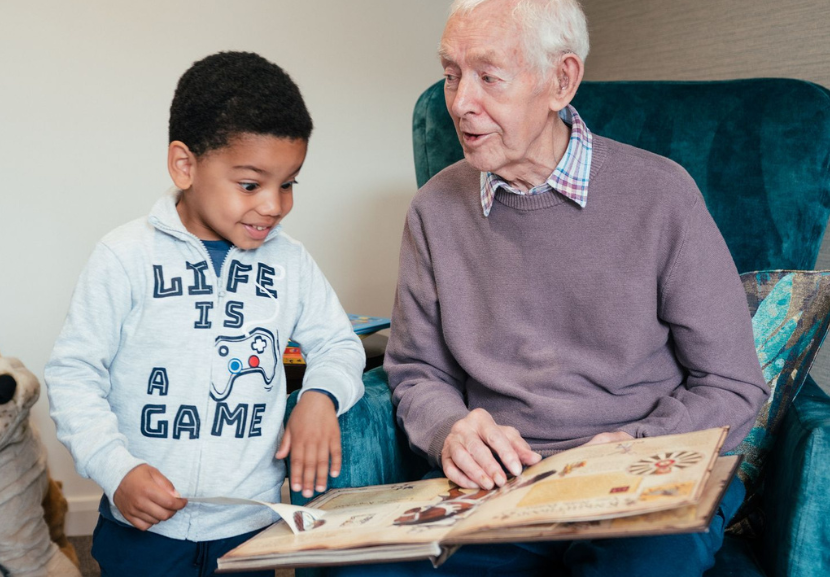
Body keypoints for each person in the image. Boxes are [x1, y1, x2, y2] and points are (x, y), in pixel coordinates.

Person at [336, 0, 768, 575]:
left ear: (561, 81)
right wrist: (449, 430)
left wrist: (637, 444)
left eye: (488, 76)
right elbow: (416, 372)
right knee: (360, 568)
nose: (461, 102)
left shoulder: (662, 197)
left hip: (640, 480)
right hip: (497, 492)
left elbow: (733, 384)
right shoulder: (434, 211)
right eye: (451, 74)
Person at [45, 51, 365, 577]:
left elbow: (339, 343)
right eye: (250, 184)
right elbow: (74, 373)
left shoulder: (290, 263)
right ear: (185, 165)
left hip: (249, 523)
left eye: (288, 183)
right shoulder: (124, 256)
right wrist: (116, 470)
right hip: (142, 526)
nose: (274, 205)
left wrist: (320, 396)